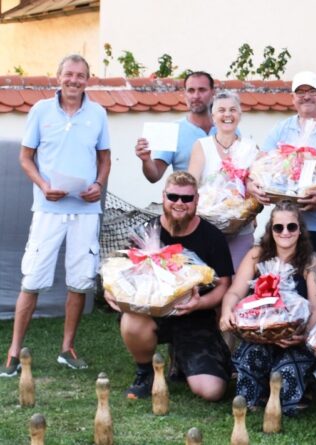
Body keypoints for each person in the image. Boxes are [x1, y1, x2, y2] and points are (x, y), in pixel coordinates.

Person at [1, 54, 111, 376]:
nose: (74, 80)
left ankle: (67, 349)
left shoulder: (99, 114)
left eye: (80, 75)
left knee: (80, 280)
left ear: (87, 80)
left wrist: (99, 184)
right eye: (69, 74)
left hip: (86, 210)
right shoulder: (40, 111)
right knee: (33, 278)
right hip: (48, 208)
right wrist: (43, 184)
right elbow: (25, 158)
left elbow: (104, 159)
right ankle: (13, 351)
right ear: (58, 76)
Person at [107, 171, 234, 401]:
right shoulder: (147, 231)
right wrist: (111, 288)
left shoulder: (212, 237)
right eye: (173, 197)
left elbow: (224, 284)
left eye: (186, 199)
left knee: (212, 391)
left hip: (195, 317)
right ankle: (145, 372)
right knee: (131, 321)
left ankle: (183, 360)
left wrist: (199, 303)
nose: (179, 203)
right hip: (152, 313)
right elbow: (121, 272)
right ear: (163, 197)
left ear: (196, 200)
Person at [220, 201, 316, 413]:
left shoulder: (312, 261)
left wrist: (303, 334)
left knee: (286, 381)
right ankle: (259, 390)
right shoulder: (256, 255)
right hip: (259, 333)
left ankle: (303, 384)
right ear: (271, 230)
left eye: (291, 227)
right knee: (248, 391)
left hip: (295, 338)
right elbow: (234, 291)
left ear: (300, 230)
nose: (285, 232)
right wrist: (227, 312)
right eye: (278, 227)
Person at [253, 71, 316, 290]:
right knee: (282, 288)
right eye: (301, 92)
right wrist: (257, 186)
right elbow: (261, 167)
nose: (307, 97)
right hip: (284, 227)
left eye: (312, 91)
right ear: (292, 97)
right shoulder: (281, 130)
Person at [188, 90, 260, 270]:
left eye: (232, 110)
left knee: (236, 281)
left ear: (240, 115)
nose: (227, 114)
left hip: (241, 228)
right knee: (208, 280)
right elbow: (191, 185)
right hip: (206, 228)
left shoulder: (250, 148)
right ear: (213, 116)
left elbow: (255, 188)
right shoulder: (202, 146)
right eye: (221, 110)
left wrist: (249, 210)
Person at [135, 71, 216, 182]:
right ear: (185, 94)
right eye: (191, 90)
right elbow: (154, 175)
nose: (196, 96)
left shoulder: (228, 129)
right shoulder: (172, 130)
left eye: (202, 90)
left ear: (213, 93)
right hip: (187, 198)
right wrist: (146, 159)